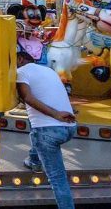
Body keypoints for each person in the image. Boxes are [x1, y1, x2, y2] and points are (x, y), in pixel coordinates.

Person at [17, 50, 77, 209]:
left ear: (20, 59)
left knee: (58, 179)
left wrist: (56, 114)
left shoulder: (20, 72)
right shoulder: (48, 70)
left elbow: (27, 98)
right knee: (35, 129)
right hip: (69, 127)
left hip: (49, 131)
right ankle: (34, 160)